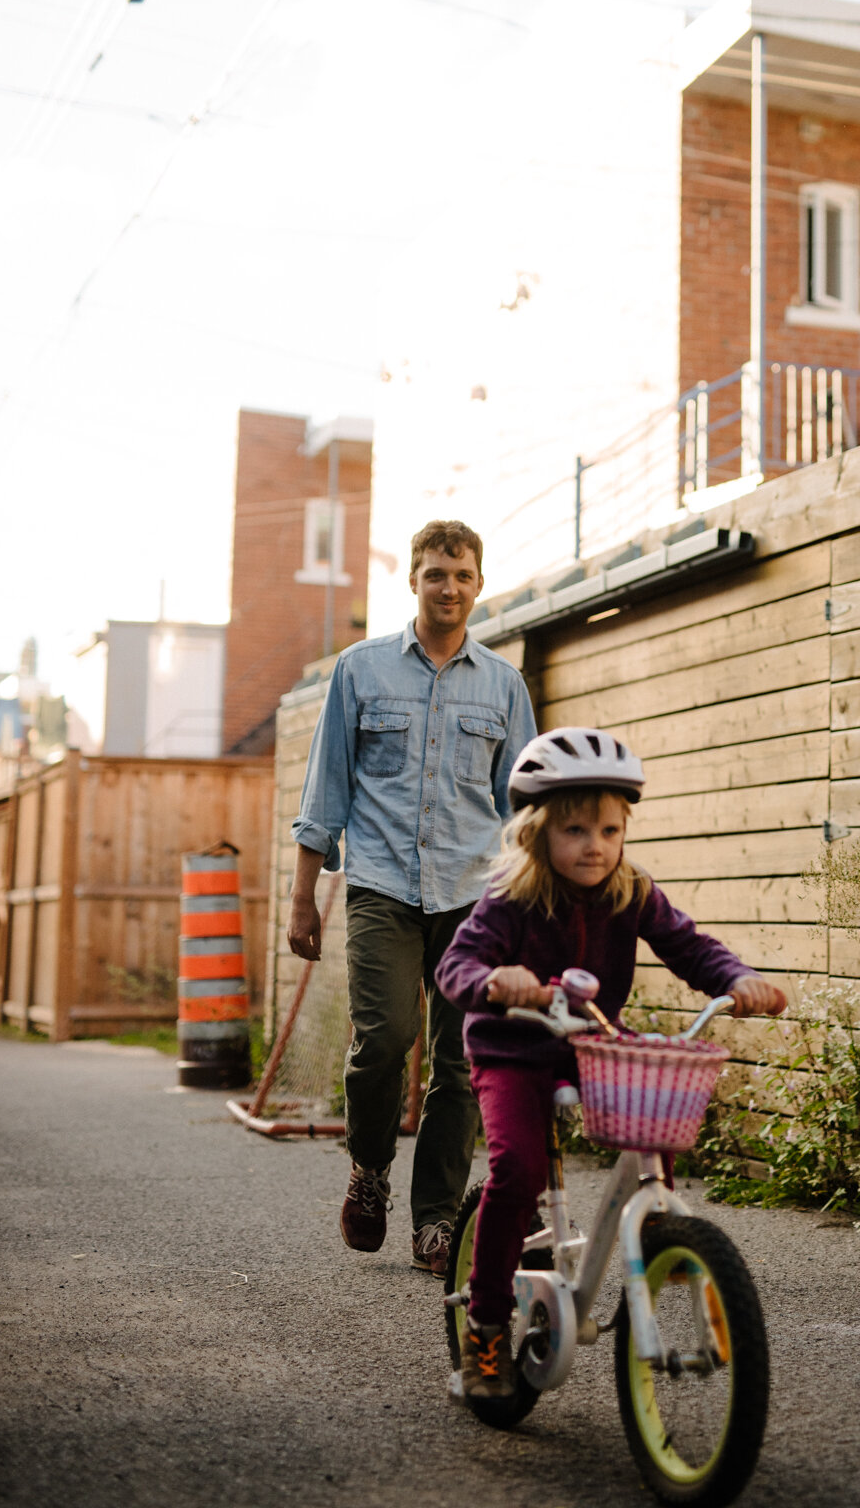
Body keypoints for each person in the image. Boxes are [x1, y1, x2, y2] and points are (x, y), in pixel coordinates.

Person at [435, 726, 788, 1399]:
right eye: (574, 830)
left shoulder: (633, 893)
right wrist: (493, 980)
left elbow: (691, 947)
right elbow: (457, 963)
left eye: (607, 829)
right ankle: (483, 1331)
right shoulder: (513, 897)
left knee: (654, 1112)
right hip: (511, 1049)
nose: (593, 845)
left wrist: (736, 980)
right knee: (518, 1171)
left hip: (589, 1045)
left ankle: (657, 1240)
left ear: (624, 832)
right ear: (539, 833)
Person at [287, 519, 537, 1275]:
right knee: (385, 1041)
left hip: (470, 897)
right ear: (415, 582)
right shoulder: (361, 670)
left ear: (479, 584)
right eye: (435, 574)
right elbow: (325, 787)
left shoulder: (503, 684)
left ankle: (435, 1221)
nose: (449, 588)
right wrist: (303, 896)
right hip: (383, 888)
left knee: (461, 1062)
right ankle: (369, 1171)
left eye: (461, 576)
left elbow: (523, 805)